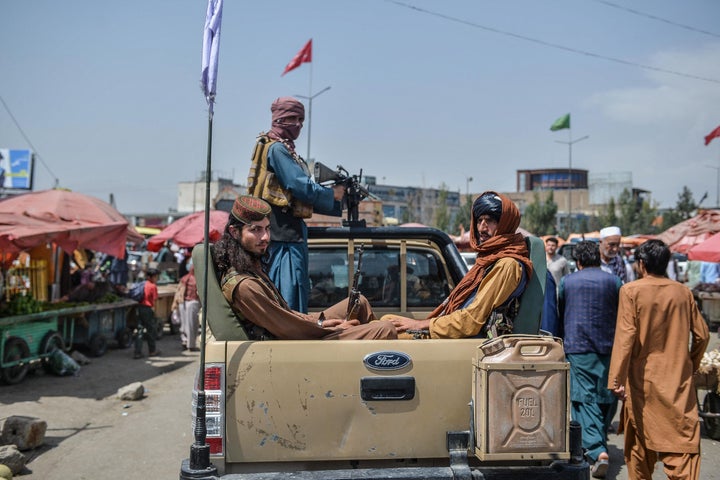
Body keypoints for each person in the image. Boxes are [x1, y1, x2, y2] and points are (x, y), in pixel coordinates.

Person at [211, 195, 396, 341]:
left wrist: (320, 321)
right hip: (293, 345)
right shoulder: (245, 286)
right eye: (256, 230)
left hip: (299, 333)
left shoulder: (250, 267)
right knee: (384, 329)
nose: (266, 237)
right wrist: (331, 328)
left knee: (359, 302)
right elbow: (288, 328)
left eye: (267, 228)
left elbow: (286, 314)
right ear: (235, 232)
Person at [609, 239, 709, 480]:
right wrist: (689, 364)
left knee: (639, 449)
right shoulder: (683, 292)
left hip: (644, 382)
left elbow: (625, 338)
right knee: (682, 445)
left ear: (641, 264)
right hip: (678, 383)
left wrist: (616, 380)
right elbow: (703, 335)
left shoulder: (631, 291)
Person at [383, 191, 532, 338]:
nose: (482, 228)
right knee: (386, 320)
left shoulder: (507, 265)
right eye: (479, 221)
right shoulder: (490, 260)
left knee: (384, 331)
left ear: (505, 224)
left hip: (466, 338)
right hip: (454, 330)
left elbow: (471, 320)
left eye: (490, 221)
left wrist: (419, 325)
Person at [247, 96, 344, 313]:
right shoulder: (277, 149)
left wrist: (336, 204)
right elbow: (299, 186)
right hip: (285, 239)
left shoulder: (279, 147)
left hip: (286, 235)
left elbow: (297, 196)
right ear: (279, 119)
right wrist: (332, 194)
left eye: (301, 119)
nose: (298, 124)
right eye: (292, 118)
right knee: (289, 300)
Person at [557, 241, 621, 478]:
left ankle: (597, 450)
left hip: (578, 345)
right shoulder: (614, 281)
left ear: (578, 261)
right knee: (606, 395)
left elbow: (561, 310)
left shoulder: (568, 282)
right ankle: (599, 438)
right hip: (609, 346)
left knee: (584, 400)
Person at [134, 268, 161, 359]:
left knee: (139, 331)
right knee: (151, 331)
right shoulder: (153, 286)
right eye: (156, 276)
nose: (156, 278)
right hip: (148, 309)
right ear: (152, 277)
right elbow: (155, 301)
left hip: (139, 308)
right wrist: (156, 313)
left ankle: (137, 352)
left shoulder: (143, 284)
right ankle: (152, 351)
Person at [173, 264, 200, 351]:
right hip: (192, 303)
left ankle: (184, 340)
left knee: (184, 324)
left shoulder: (184, 278)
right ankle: (191, 345)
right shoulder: (197, 280)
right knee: (192, 325)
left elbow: (178, 291)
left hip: (182, 303)